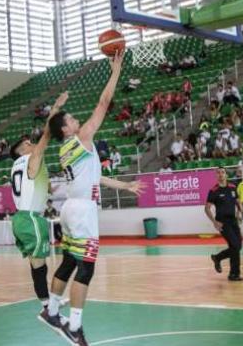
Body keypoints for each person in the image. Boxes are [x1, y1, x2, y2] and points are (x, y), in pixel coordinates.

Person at [47, 52, 144, 345]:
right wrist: (115, 71)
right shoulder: (81, 139)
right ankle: (74, 327)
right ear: (66, 129)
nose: (78, 120)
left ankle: (52, 310)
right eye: (72, 118)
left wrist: (124, 187)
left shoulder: (65, 149)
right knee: (86, 267)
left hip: (70, 208)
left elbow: (95, 177)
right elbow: (103, 103)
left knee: (68, 262)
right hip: (82, 211)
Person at [9, 91, 67, 323]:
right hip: (31, 218)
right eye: (27, 144)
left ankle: (47, 304)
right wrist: (55, 108)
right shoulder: (30, 159)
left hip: (21, 219)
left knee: (37, 265)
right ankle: (48, 307)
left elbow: (47, 189)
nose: (31, 144)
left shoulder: (19, 166)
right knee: (40, 265)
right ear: (22, 151)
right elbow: (46, 134)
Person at [206, 167, 243, 281]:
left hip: (233, 221)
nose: (221, 174)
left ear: (226, 175)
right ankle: (234, 274)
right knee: (235, 246)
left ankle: (218, 258)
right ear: (216, 176)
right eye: (218, 173)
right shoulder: (214, 190)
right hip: (222, 223)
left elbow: (238, 202)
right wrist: (214, 222)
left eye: (222, 172)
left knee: (238, 246)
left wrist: (240, 212)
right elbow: (207, 208)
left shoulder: (232, 187)